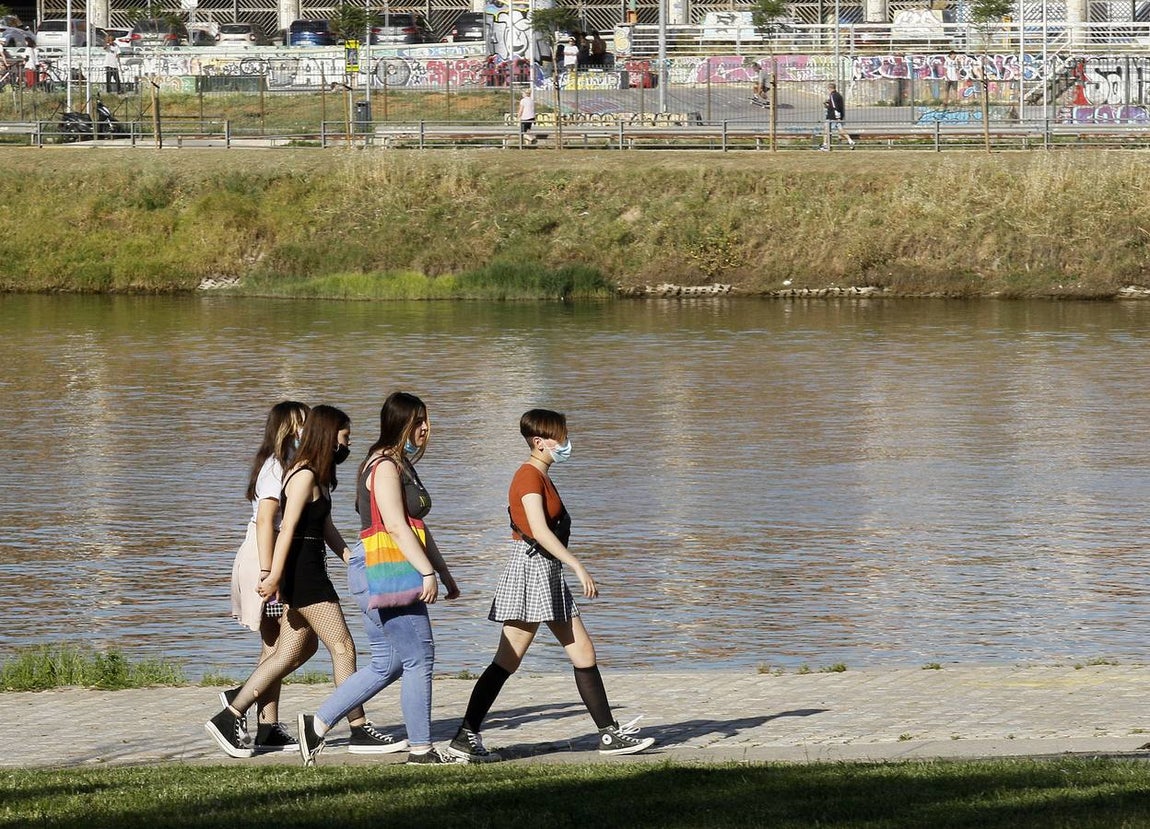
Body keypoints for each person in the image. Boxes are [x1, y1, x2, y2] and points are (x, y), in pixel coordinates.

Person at [447, 408, 656, 762]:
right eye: (560, 437)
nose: (566, 443)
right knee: (513, 660)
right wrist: (577, 565)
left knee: (566, 654)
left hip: (545, 572)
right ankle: (466, 736)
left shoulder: (540, 475)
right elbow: (539, 530)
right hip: (533, 572)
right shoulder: (528, 477)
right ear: (539, 442)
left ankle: (606, 734)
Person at [206, 405, 400, 758]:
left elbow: (323, 527)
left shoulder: (319, 476)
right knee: (343, 646)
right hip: (303, 574)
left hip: (312, 569)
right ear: (329, 435)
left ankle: (232, 711)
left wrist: (352, 557)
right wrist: (274, 575)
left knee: (292, 650)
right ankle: (358, 729)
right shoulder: (303, 475)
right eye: (345, 437)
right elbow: (287, 528)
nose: (348, 443)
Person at [297, 392, 462, 766]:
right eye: (419, 421)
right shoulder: (385, 466)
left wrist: (444, 571)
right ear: (401, 423)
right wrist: (425, 572)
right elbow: (395, 526)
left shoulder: (401, 464)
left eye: (427, 420)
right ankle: (421, 750)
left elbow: (418, 527)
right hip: (387, 571)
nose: (426, 428)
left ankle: (316, 724)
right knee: (420, 657)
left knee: (386, 663)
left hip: (383, 568)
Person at [222, 401, 317, 753]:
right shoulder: (276, 468)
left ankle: (267, 725)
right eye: (304, 422)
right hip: (264, 557)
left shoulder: (284, 465)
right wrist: (268, 573)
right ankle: (238, 704)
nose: (310, 428)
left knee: (276, 647)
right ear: (290, 427)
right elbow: (266, 520)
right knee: (290, 644)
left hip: (272, 556)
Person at [820, 82, 855, 150]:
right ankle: (850, 141)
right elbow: (837, 105)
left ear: (829, 88)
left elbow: (834, 106)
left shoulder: (832, 95)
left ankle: (825, 145)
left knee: (826, 130)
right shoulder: (838, 95)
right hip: (837, 115)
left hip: (832, 116)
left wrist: (836, 115)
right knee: (840, 130)